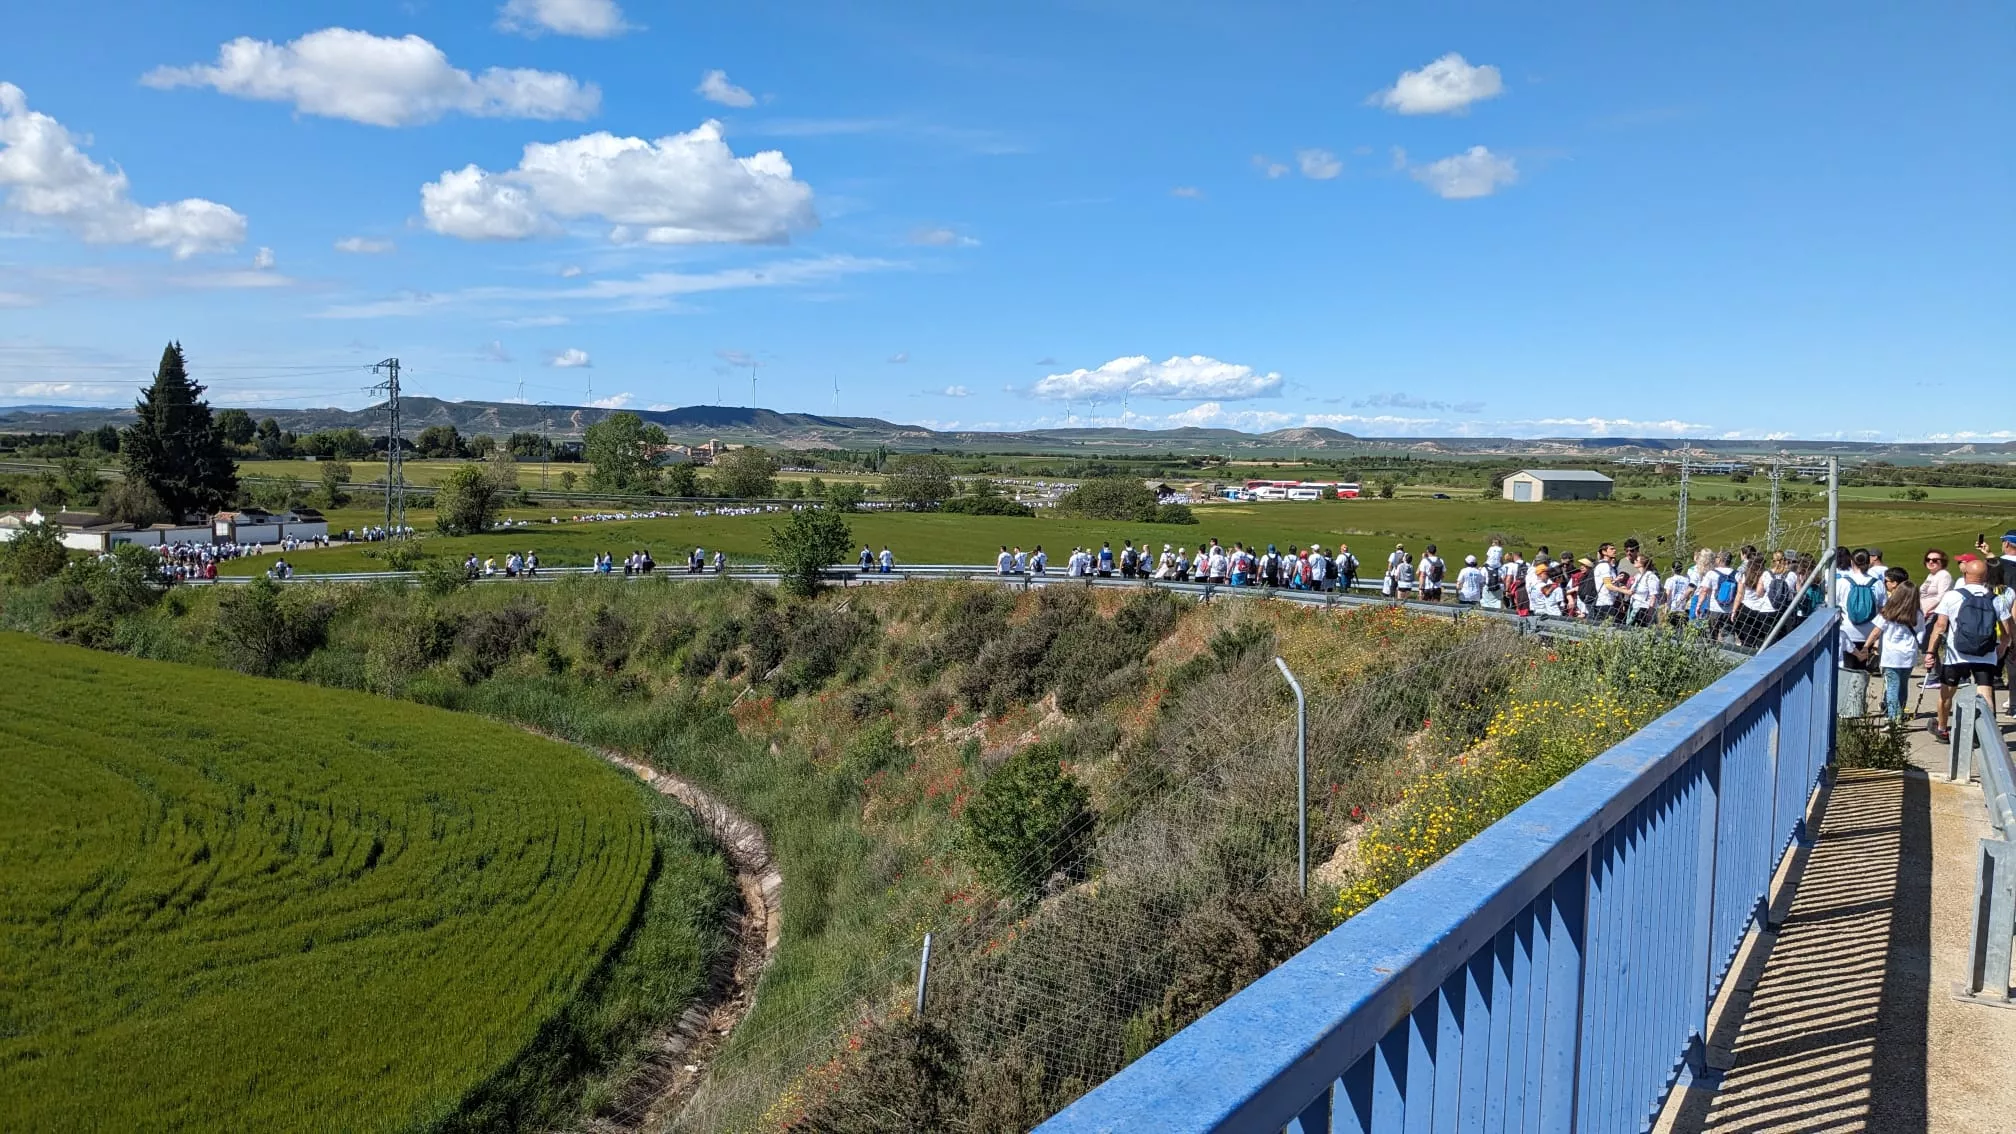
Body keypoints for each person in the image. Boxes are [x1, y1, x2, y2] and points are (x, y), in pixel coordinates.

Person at [1924, 554, 2008, 740]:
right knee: (1985, 692)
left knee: (1947, 694)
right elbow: (2007, 628)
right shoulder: (1995, 599)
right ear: (1985, 576)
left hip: (1957, 654)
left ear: (1966, 574)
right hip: (1985, 653)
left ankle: (1943, 728)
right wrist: (2005, 644)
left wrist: (1931, 651)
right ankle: (1986, 732)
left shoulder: (1953, 596)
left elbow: (1940, 626)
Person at [1833, 547, 1885, 716]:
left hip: (1846, 632)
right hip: (1868, 634)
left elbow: (1833, 605)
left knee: (1845, 669)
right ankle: (1858, 707)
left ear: (1852, 562)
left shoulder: (1842, 582)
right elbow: (1882, 609)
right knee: (1862, 671)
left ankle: (1843, 708)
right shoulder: (1877, 584)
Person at [1864, 567, 1919, 722]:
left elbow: (1876, 631)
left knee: (1892, 686)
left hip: (1891, 655)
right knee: (1903, 685)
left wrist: (1866, 646)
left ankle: (1894, 717)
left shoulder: (1889, 611)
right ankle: (1898, 712)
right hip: (1908, 654)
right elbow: (1920, 634)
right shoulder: (1917, 613)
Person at [1629, 553, 1662, 627]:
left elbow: (1653, 596)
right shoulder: (1638, 576)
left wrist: (1650, 613)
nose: (1634, 561)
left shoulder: (1651, 577)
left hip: (1643, 609)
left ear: (1642, 563)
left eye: (1636, 560)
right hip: (1634, 607)